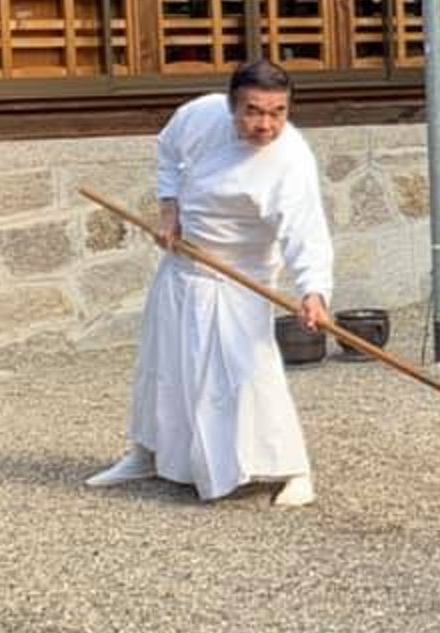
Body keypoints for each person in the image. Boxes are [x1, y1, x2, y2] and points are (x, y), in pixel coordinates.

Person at [86, 58, 333, 507]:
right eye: (254, 111)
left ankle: (294, 469)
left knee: (248, 373)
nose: (265, 125)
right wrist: (169, 209)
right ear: (230, 105)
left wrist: (312, 291)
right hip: (184, 264)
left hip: (241, 275)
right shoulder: (200, 115)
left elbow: (305, 231)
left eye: (278, 112)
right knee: (164, 365)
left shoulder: (291, 160)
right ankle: (148, 453)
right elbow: (169, 151)